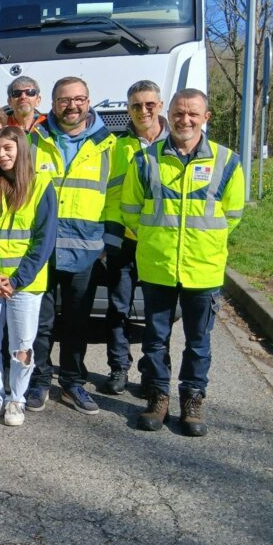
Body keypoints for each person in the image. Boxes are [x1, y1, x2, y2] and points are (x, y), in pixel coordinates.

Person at [122, 89, 244, 436]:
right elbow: (130, 210)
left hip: (203, 269)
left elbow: (233, 214)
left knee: (198, 342)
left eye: (192, 114)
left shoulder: (227, 161)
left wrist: (201, 243)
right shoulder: (146, 160)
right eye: (178, 113)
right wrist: (152, 240)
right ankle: (158, 397)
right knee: (155, 340)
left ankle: (192, 399)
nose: (184, 120)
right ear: (168, 115)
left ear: (206, 117)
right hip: (158, 265)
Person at [26, 77, 116, 415]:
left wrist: (108, 244)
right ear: (52, 103)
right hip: (41, 249)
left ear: (89, 101)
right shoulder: (34, 139)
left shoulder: (109, 145)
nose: (72, 106)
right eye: (65, 100)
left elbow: (117, 196)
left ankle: (73, 383)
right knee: (41, 321)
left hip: (86, 250)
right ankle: (39, 379)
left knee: (78, 321)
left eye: (79, 99)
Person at [0, 127, 57, 426]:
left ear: (22, 150)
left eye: (9, 149)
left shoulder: (41, 185)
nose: (2, 155)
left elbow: (43, 241)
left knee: (21, 346)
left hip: (25, 284)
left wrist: (16, 279)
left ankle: (16, 399)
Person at [101, 81, 169, 395]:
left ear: (161, 105)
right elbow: (109, 194)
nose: (143, 111)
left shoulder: (177, 145)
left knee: (157, 314)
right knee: (118, 308)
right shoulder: (117, 146)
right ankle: (118, 368)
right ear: (128, 109)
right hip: (124, 240)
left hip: (159, 241)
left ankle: (152, 374)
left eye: (149, 104)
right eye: (136, 105)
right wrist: (111, 235)